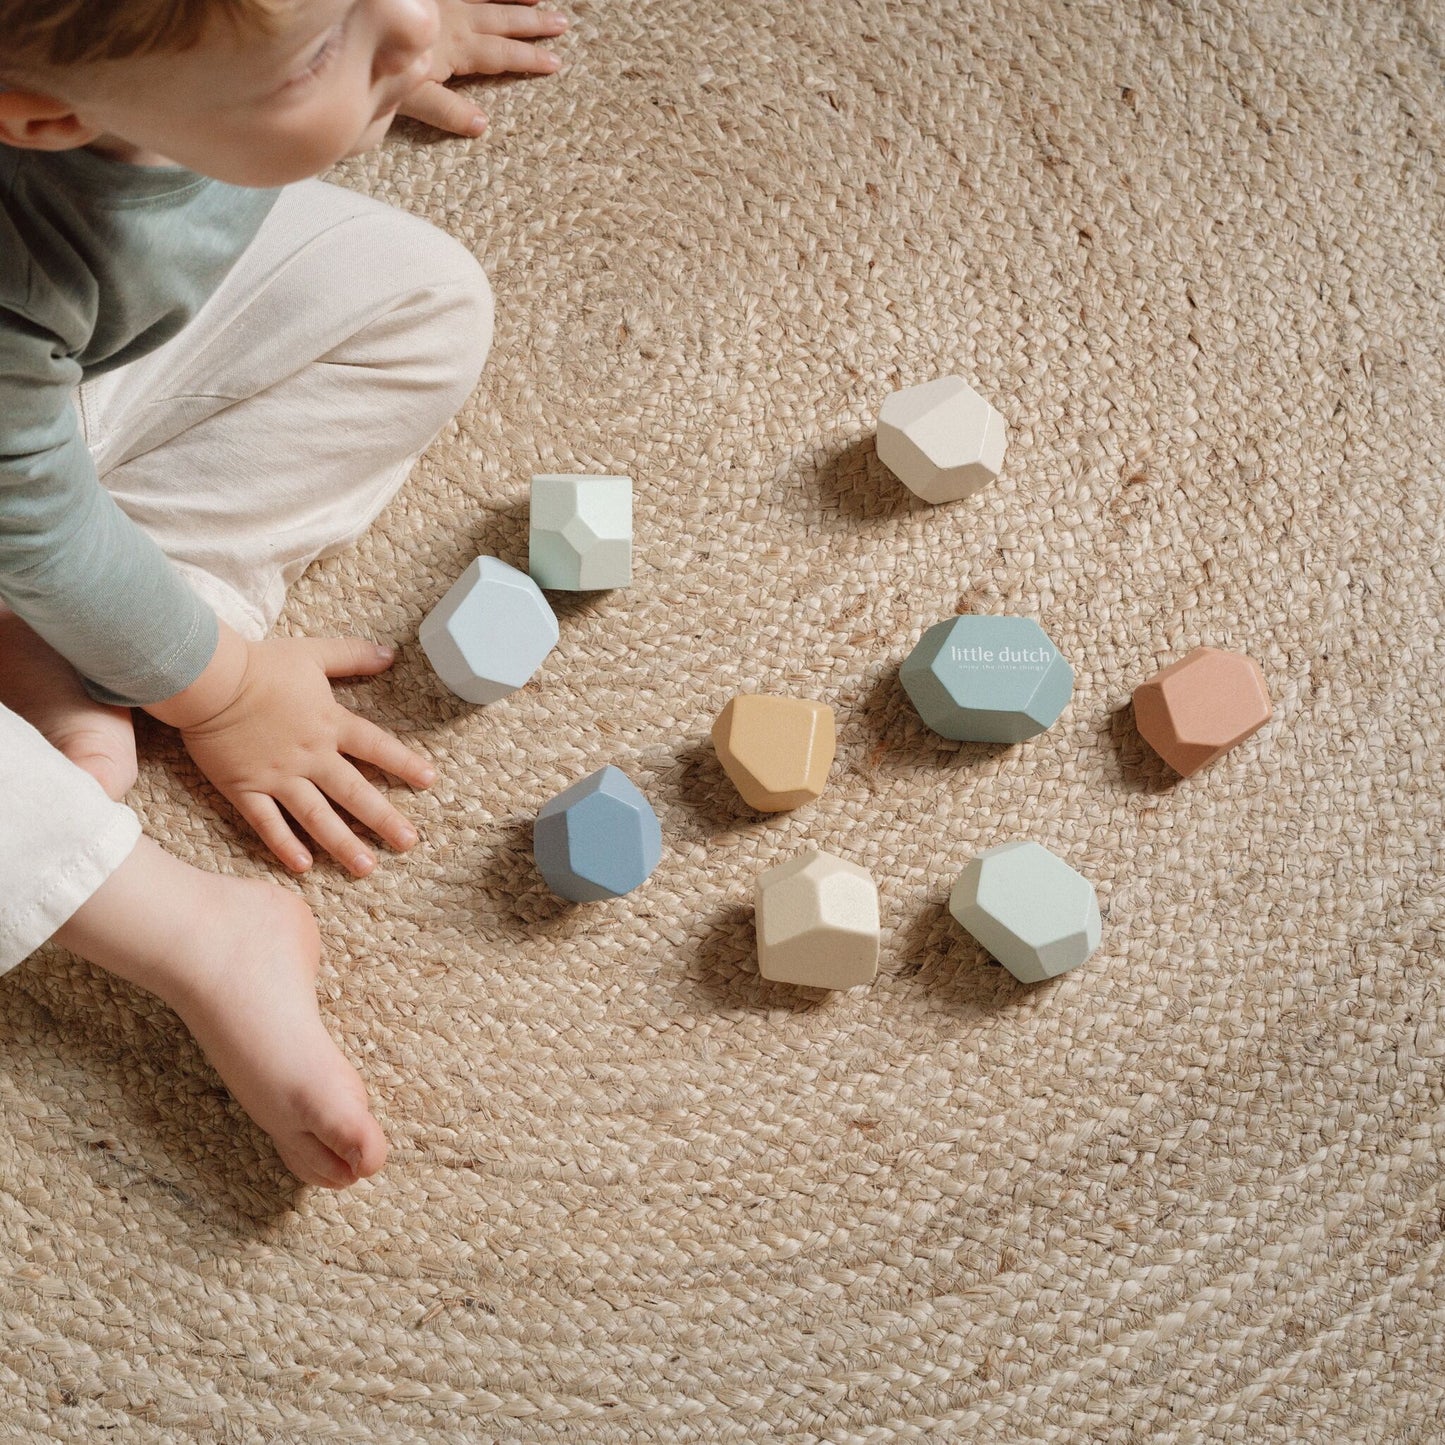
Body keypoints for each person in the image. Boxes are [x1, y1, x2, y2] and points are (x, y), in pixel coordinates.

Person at [0, 0, 568, 1189]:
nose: (409, 31)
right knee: (47, 536)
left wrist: (356, 55)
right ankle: (191, 932)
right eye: (325, 50)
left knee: (424, 297)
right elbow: (32, 511)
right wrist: (230, 690)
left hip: (46, 393)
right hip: (22, 415)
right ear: (47, 116)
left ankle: (105, 615)